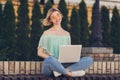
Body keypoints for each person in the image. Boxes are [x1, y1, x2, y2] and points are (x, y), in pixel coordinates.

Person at [37, 8, 93, 77]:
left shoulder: (67, 34)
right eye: (53, 17)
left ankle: (62, 71)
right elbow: (39, 53)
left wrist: (72, 58)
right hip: (51, 65)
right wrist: (54, 59)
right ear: (50, 20)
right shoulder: (46, 33)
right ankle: (68, 73)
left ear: (61, 16)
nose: (57, 18)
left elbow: (67, 51)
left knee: (89, 60)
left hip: (63, 63)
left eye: (58, 15)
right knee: (50, 59)